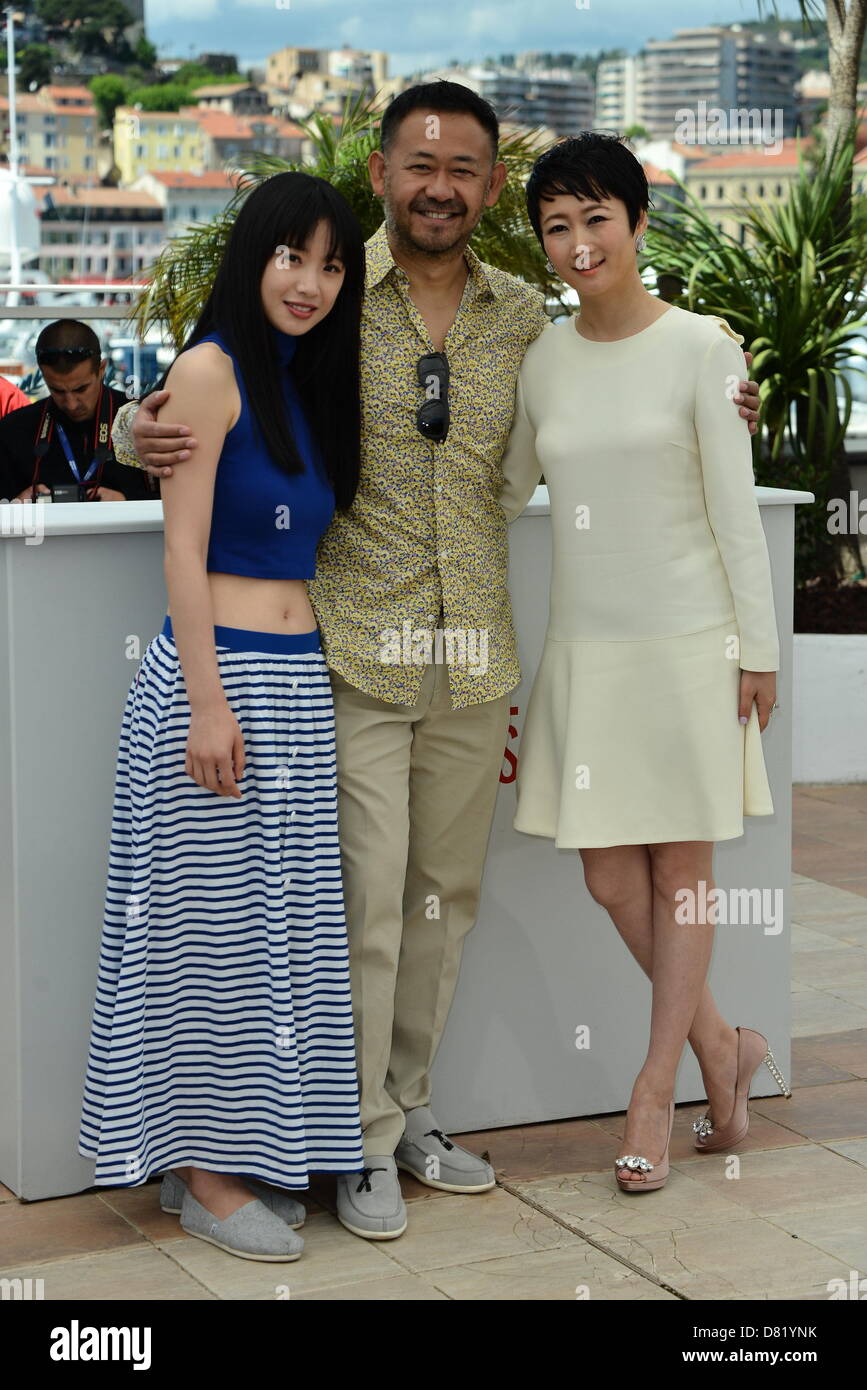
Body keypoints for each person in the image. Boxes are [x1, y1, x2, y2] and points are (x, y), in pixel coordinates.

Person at [109, 83, 763, 1239]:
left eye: (464, 166)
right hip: (353, 649)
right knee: (364, 906)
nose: (440, 185)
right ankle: (354, 1140)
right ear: (381, 172)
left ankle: (410, 1112)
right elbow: (215, 380)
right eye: (421, 162)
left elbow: (621, 381)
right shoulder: (327, 291)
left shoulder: (525, 317)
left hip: (474, 659)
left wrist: (727, 387)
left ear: (491, 186)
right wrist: (125, 428)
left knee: (441, 905)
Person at [77, 170, 367, 1262]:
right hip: (221, 683)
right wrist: (205, 700)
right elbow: (179, 551)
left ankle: (234, 1154)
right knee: (206, 939)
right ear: (253, 257)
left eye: (333, 263)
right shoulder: (209, 370)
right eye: (292, 256)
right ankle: (201, 1174)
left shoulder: (309, 379)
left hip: (296, 688)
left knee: (266, 938)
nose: (311, 281)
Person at [498, 134, 791, 1194]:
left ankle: (653, 1084)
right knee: (610, 874)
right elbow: (499, 485)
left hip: (692, 643)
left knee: (686, 870)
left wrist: (756, 649)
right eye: (557, 229)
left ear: (637, 223)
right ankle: (725, 1047)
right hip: (589, 651)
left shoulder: (705, 348)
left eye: (596, 221)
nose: (578, 246)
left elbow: (734, 513)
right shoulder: (543, 359)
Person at [0, 320, 152, 503]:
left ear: (102, 369)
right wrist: (14, 504)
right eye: (57, 390)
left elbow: (180, 501)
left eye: (81, 389)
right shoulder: (14, 429)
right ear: (43, 374)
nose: (71, 404)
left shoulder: (141, 419)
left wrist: (128, 502)